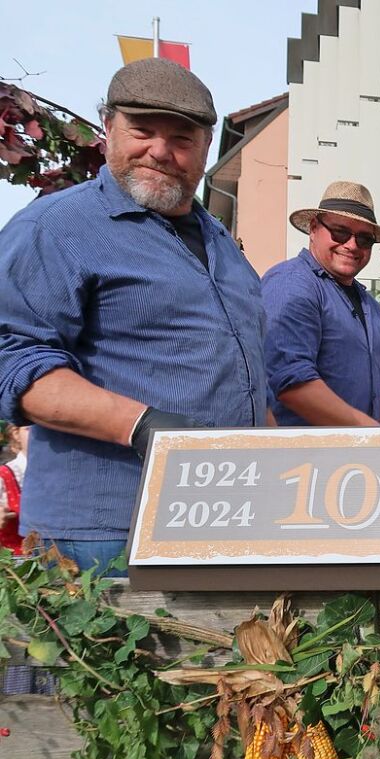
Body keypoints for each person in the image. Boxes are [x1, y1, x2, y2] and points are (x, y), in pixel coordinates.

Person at [0, 59, 268, 575]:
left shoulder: (222, 245)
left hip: (226, 522)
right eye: (142, 131)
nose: (161, 152)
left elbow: (249, 378)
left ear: (206, 147)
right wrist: (143, 426)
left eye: (182, 139)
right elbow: (13, 361)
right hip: (103, 534)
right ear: (109, 127)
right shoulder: (55, 227)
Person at [262, 181, 380, 427]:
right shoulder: (292, 284)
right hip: (304, 460)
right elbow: (291, 382)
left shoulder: (373, 308)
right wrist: (371, 432)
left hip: (359, 459)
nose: (351, 245)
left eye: (364, 239)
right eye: (340, 232)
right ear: (314, 228)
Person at [0, 424, 28, 556]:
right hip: (16, 568)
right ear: (16, 434)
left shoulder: (65, 474)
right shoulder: (4, 476)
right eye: (31, 428)